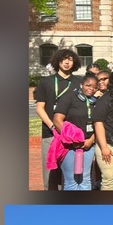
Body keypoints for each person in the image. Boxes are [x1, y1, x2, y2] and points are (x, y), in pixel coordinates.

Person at [34, 48, 82, 190]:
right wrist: (53, 126)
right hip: (51, 134)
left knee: (73, 173)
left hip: (72, 135)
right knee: (50, 174)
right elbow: (39, 108)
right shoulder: (46, 82)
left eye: (70, 59)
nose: (67, 62)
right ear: (57, 61)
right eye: (63, 59)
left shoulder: (79, 82)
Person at [52, 72, 98, 190]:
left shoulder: (95, 101)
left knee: (85, 178)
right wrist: (72, 139)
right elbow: (57, 120)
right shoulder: (69, 97)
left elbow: (99, 124)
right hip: (69, 146)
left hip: (88, 145)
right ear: (81, 84)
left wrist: (91, 140)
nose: (91, 89)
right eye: (88, 85)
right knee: (71, 180)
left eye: (94, 87)